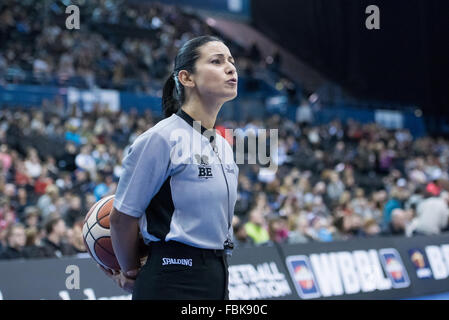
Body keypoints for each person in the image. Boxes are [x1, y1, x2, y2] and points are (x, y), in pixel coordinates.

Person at [102, 36, 239, 300]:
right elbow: (122, 218)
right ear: (187, 78)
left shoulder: (222, 145)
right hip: (172, 278)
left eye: (231, 61)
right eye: (217, 61)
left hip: (216, 273)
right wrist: (130, 272)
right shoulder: (161, 138)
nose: (231, 68)